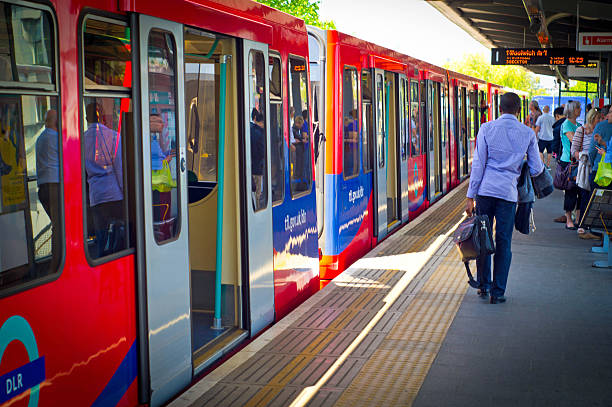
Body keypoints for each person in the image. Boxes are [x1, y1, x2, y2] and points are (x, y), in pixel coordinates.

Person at [465, 92, 544, 304]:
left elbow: (479, 165)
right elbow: (537, 169)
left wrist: (470, 197)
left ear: (499, 108)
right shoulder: (527, 133)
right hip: (508, 195)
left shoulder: (486, 129)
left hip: (485, 192)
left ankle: (483, 285)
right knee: (503, 241)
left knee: (483, 239)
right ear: (519, 111)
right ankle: (497, 292)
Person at [84, 102, 124, 256]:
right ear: (102, 116)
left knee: (101, 236)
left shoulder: (82, 139)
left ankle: (101, 262)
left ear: (87, 117)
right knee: (119, 233)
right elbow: (119, 167)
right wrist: (124, 191)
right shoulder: (114, 136)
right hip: (114, 193)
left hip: (96, 195)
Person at [572, 108, 603, 239]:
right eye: (598, 119)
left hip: (597, 168)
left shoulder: (600, 131)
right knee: (584, 196)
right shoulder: (582, 130)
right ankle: (582, 225)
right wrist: (584, 156)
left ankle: (590, 225)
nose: (601, 121)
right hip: (585, 168)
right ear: (592, 119)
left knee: (593, 197)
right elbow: (574, 150)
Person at [35, 109, 61, 269]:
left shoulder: (40, 139)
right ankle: (56, 263)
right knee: (59, 226)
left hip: (42, 188)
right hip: (54, 187)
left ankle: (56, 260)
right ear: (55, 121)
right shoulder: (56, 138)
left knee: (57, 225)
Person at [559, 101, 582, 230]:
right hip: (569, 162)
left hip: (578, 161)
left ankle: (578, 217)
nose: (580, 110)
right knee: (570, 190)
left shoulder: (578, 124)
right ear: (573, 110)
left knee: (580, 190)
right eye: (578, 108)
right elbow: (575, 141)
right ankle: (568, 218)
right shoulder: (567, 124)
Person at [250, 108, 266, 205]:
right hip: (258, 168)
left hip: (250, 167)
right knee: (258, 193)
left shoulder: (250, 129)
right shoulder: (260, 134)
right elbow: (262, 152)